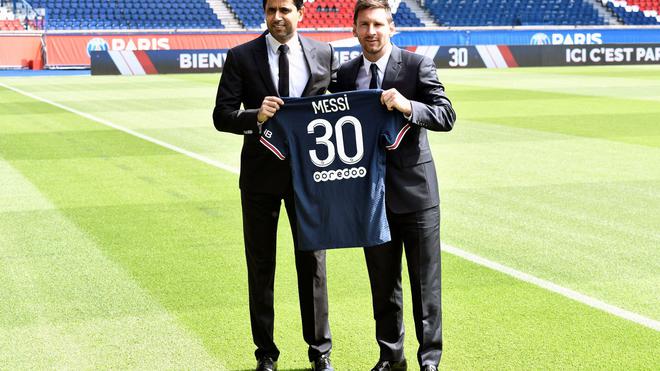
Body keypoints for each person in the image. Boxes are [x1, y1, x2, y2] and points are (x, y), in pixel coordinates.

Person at [212, 0, 338, 370]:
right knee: (261, 265)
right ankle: (266, 354)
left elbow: (342, 102)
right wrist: (255, 115)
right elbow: (222, 115)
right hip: (259, 178)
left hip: (310, 178)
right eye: (271, 11)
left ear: (301, 13)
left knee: (313, 264)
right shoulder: (241, 56)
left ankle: (320, 353)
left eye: (285, 9)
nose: (277, 17)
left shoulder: (324, 53)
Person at [331, 1, 456, 370]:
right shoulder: (345, 73)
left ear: (391, 28)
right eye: (364, 25)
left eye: (378, 24)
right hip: (369, 197)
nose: (371, 32)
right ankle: (390, 357)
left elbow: (446, 115)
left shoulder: (418, 66)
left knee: (424, 285)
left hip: (416, 196)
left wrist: (407, 105)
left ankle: (429, 360)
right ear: (354, 29)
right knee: (383, 285)